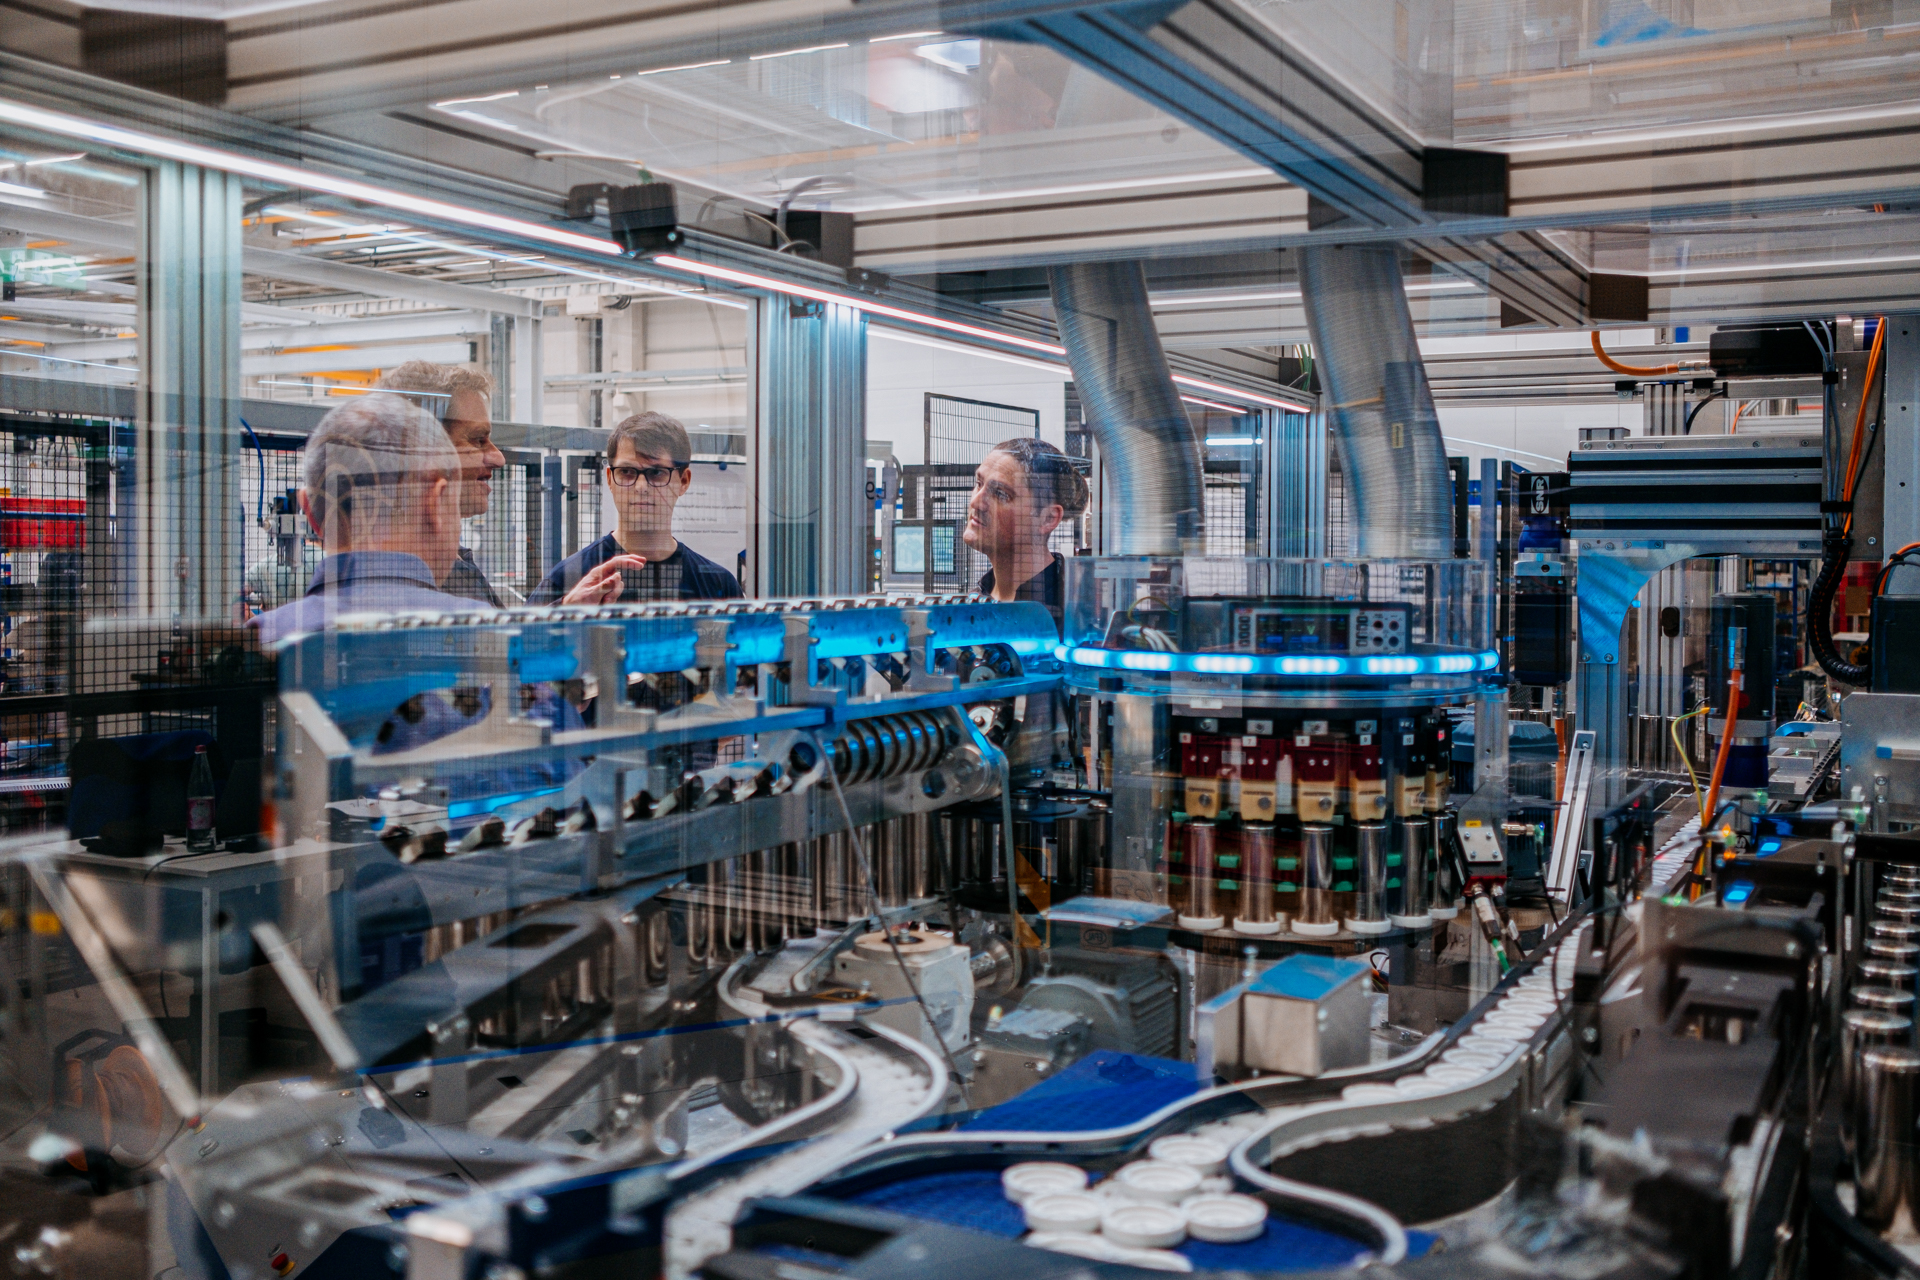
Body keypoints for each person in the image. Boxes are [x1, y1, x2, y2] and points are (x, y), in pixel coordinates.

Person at [253, 394, 481, 645]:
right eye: (455, 508)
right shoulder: (489, 635)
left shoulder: (258, 640)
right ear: (435, 503)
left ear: (311, 513)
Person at [530, 411, 743, 605]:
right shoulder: (570, 580)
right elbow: (520, 645)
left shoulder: (718, 585)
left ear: (684, 481)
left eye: (657, 472)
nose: (641, 487)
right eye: (627, 472)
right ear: (610, 479)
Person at [374, 360, 512, 606]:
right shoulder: (410, 581)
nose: (498, 458)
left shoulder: (451, 563)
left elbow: (504, 643)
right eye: (478, 440)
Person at [963, 436, 1088, 627]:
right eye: (979, 483)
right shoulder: (974, 601)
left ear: (1048, 518)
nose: (976, 502)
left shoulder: (1074, 613)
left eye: (1000, 494)